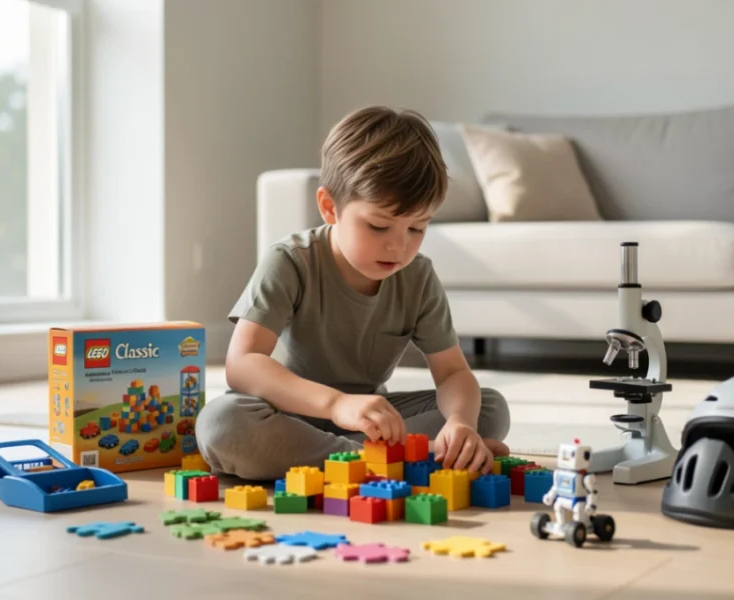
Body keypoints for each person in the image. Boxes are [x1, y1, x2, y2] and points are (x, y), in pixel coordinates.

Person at [195, 106, 511, 481]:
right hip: (285, 412)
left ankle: (379, 457)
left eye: (416, 229)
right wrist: (335, 404)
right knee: (221, 423)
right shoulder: (291, 261)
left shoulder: (418, 276)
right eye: (378, 226)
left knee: (488, 407)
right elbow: (243, 363)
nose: (398, 247)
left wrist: (460, 423)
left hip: (369, 422)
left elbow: (453, 372)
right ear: (330, 208)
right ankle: (392, 459)